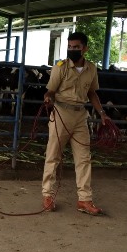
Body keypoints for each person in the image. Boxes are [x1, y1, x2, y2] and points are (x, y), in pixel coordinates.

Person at [41, 31, 110, 216]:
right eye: (70, 47)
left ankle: (84, 200)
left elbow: (92, 93)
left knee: (84, 158)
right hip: (61, 113)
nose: (72, 50)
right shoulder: (60, 67)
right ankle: (47, 195)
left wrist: (102, 113)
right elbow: (50, 91)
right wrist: (47, 98)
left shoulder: (91, 69)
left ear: (85, 48)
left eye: (76, 47)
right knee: (53, 155)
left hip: (81, 116)